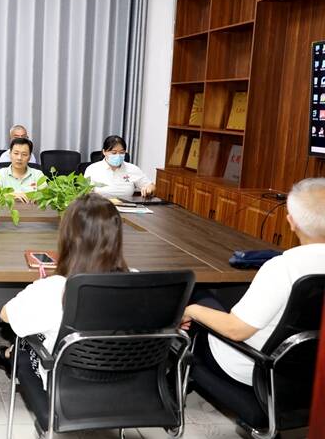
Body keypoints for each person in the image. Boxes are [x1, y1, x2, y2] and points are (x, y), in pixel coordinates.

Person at [182, 178, 325, 387]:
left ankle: (169, 380)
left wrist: (191, 311)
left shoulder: (282, 267)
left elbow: (235, 330)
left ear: (291, 222)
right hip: (311, 370)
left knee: (199, 295)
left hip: (255, 370)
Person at [0, 194, 128, 388]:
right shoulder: (140, 282)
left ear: (68, 238)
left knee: (29, 330)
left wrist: (37, 290)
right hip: (128, 383)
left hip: (66, 386)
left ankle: (10, 354)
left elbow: (6, 315)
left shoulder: (55, 288)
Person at [84, 135, 155, 198]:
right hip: (101, 207)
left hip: (127, 207)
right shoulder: (92, 169)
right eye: (114, 153)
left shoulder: (133, 169)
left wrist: (149, 189)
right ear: (104, 152)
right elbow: (84, 192)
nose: (118, 155)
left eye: (121, 152)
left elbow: (151, 186)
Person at [0, 138, 45, 202]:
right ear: (10, 154)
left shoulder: (38, 174)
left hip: (31, 208)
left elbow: (46, 196)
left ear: (29, 157)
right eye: (16, 153)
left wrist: (37, 198)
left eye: (24, 154)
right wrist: (10, 195)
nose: (19, 158)